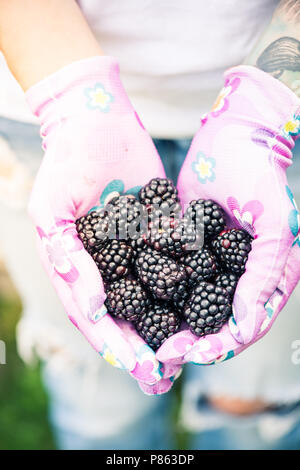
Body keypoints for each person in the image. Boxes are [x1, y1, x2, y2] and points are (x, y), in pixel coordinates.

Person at [0, 0, 299, 450]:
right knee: (95, 391)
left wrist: (262, 112)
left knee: (253, 394)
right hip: (45, 101)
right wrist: (74, 107)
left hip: (275, 115)